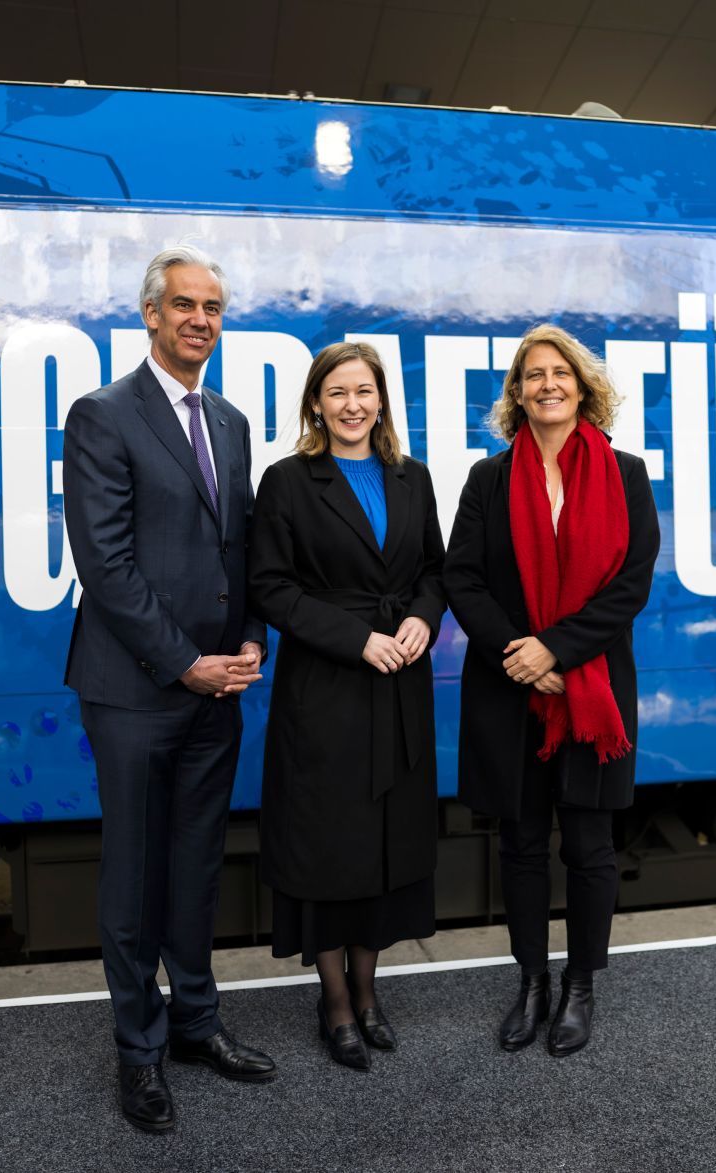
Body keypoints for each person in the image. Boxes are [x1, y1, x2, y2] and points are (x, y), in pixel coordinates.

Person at [62, 244, 276, 1133]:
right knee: (135, 874)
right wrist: (186, 661)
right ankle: (139, 1051)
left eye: (213, 307)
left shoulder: (229, 420)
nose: (200, 320)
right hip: (136, 691)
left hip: (216, 689)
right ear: (151, 313)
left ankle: (195, 1021)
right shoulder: (102, 414)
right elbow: (105, 566)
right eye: (184, 304)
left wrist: (252, 637)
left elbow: (242, 547)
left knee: (195, 865)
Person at [442, 324, 659, 1058]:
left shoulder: (626, 474)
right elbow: (462, 577)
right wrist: (522, 656)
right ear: (517, 392)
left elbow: (630, 584)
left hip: (591, 689)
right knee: (522, 843)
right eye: (533, 375)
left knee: (591, 846)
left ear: (582, 385)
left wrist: (557, 649)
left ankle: (581, 986)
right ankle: (531, 982)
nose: (548, 385)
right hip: (511, 687)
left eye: (560, 373)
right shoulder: (489, 479)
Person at [249, 341, 446, 1072]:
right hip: (327, 688)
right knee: (331, 846)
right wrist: (357, 638)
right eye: (337, 392)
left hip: (399, 683)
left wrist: (424, 616)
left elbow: (435, 569)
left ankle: (368, 992)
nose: (352, 405)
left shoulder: (413, 476)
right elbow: (271, 588)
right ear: (315, 403)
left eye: (364, 391)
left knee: (387, 841)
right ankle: (335, 1002)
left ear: (382, 400)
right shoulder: (288, 481)